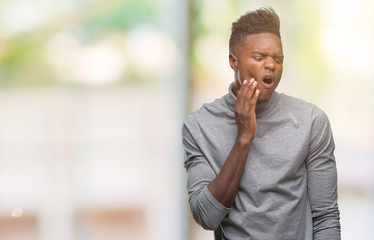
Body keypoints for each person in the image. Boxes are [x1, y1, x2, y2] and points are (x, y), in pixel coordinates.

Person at [181, 7, 341, 240]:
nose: (271, 66)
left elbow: (326, 217)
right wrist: (244, 137)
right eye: (259, 57)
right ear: (234, 61)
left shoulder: (311, 121)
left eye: (278, 59)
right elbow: (206, 217)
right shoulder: (198, 127)